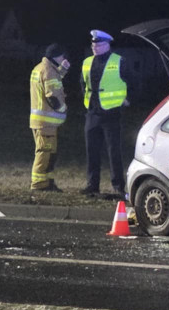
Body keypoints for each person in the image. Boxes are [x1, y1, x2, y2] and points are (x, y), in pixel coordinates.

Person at [81, 29, 130, 197]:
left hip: (111, 114)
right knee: (92, 151)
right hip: (92, 113)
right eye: (93, 44)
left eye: (99, 44)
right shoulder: (87, 62)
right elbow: (83, 84)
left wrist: (127, 99)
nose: (95, 47)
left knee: (113, 152)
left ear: (107, 45)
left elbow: (134, 81)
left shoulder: (119, 61)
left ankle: (118, 186)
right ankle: (92, 185)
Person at [28, 44, 70, 192]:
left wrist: (63, 70)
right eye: (62, 56)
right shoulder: (48, 71)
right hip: (45, 123)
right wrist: (63, 109)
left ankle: (48, 182)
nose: (64, 58)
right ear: (56, 57)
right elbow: (52, 95)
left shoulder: (41, 68)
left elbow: (53, 82)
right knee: (44, 154)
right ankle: (39, 185)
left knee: (50, 154)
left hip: (42, 123)